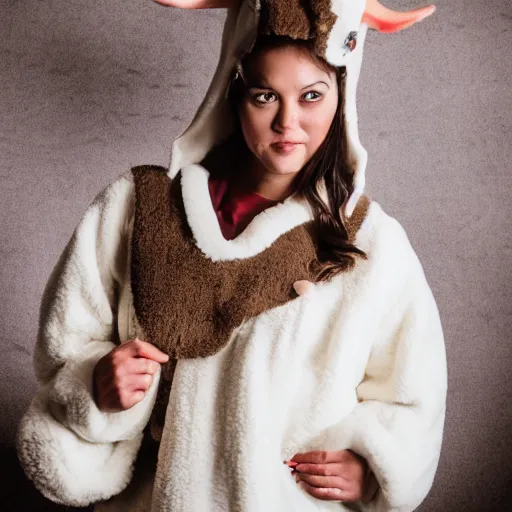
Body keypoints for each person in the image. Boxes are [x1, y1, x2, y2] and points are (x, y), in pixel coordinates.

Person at [16, 1, 447, 511]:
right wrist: (97, 384)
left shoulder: (372, 243)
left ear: (343, 94)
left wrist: (374, 466)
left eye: (312, 95)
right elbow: (65, 348)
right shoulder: (139, 208)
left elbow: (413, 393)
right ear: (234, 90)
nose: (289, 122)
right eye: (266, 96)